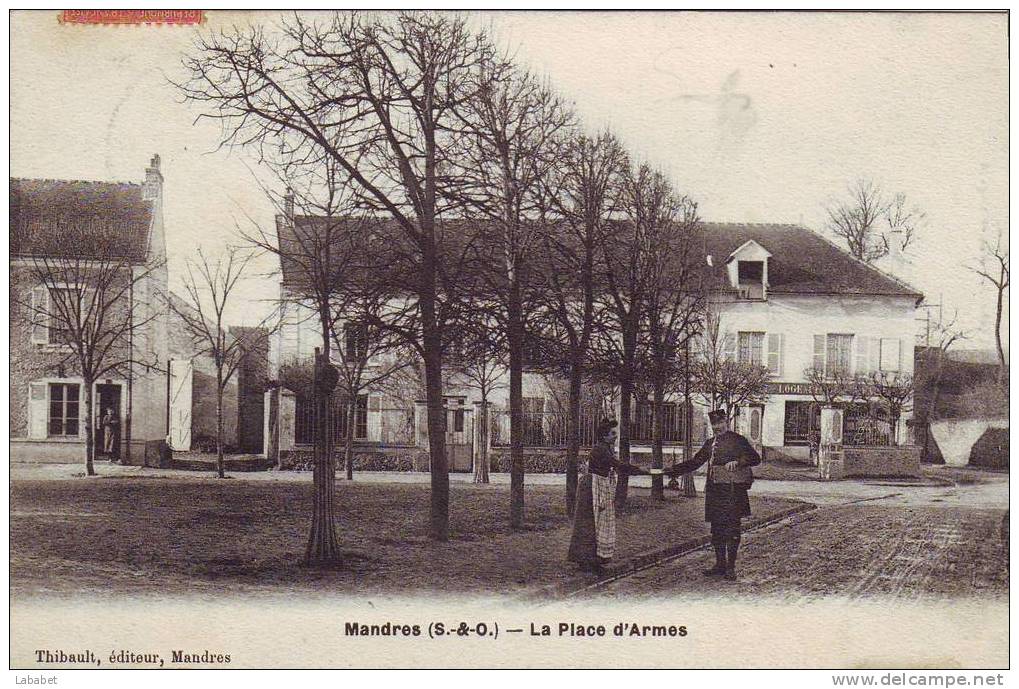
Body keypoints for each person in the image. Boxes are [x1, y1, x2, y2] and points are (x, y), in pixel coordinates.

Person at [665, 409, 761, 581]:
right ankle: (719, 564)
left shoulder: (738, 440)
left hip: (733, 492)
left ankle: (730, 568)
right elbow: (696, 462)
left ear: (726, 421)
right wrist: (674, 470)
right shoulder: (710, 443)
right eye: (714, 424)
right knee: (716, 529)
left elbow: (755, 458)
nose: (717, 427)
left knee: (732, 529)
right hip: (715, 492)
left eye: (720, 423)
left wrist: (738, 462)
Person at [568, 418, 648, 573]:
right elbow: (617, 465)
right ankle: (587, 561)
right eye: (612, 434)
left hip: (598, 486)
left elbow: (615, 465)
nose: (615, 436)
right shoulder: (601, 449)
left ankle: (593, 559)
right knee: (591, 523)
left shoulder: (605, 447)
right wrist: (640, 470)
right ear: (604, 436)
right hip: (591, 488)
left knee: (597, 523)